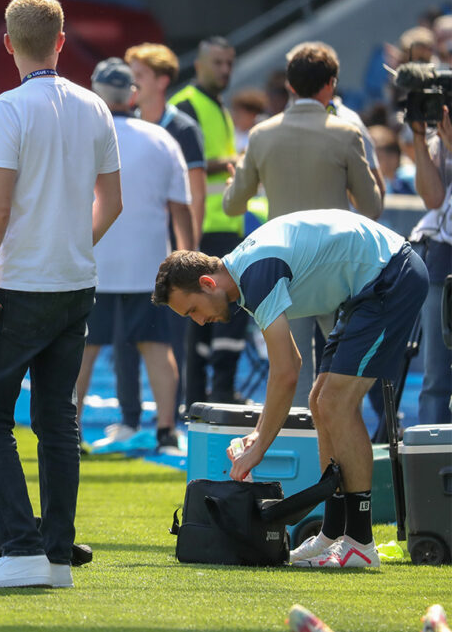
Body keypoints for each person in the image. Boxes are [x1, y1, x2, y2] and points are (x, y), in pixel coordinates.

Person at [153, 209, 428, 569]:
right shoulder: (243, 276)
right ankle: (333, 533)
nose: (200, 321)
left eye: (192, 310)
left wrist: (259, 448)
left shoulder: (254, 274)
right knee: (320, 401)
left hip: (392, 276)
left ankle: (360, 542)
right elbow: (291, 366)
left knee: (335, 403)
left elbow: (286, 370)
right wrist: (257, 435)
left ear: (207, 283)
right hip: (368, 286)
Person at [0, 0, 122, 589]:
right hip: (75, 283)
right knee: (58, 420)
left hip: (19, 283)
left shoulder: (5, 108)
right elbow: (115, 202)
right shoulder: (95, 106)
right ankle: (54, 557)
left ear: (7, 43)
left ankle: (22, 548)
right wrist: (74, 245)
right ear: (61, 39)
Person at [223, 42, 383, 407]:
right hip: (336, 269)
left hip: (283, 270)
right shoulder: (346, 133)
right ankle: (343, 455)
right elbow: (372, 207)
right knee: (344, 379)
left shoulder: (262, 134)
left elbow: (233, 205)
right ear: (330, 84)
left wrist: (236, 181)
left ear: (291, 86)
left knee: (292, 375)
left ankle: (301, 456)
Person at [78, 57, 192, 453]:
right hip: (149, 267)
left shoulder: (83, 136)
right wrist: (187, 262)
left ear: (95, 91)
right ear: (132, 95)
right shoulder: (161, 139)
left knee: (83, 351)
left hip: (91, 262)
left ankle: (68, 432)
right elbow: (181, 210)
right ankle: (166, 430)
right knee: (158, 350)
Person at [125, 42, 206, 418]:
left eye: (138, 75)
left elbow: (193, 195)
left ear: (162, 80)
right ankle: (129, 418)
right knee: (124, 339)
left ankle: (169, 420)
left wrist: (189, 257)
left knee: (168, 340)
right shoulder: (126, 122)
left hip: (168, 255)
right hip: (130, 254)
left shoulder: (183, 129)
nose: (132, 84)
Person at [169, 36, 248, 410]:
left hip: (226, 227)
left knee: (219, 315)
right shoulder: (185, 107)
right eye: (218, 62)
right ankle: (201, 395)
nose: (225, 70)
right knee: (205, 314)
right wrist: (234, 161)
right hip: (204, 229)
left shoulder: (218, 107)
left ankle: (210, 393)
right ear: (198, 64)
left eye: (229, 63)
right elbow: (183, 166)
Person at [407, 107, 452, 424]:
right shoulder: (442, 138)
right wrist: (421, 141)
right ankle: (431, 466)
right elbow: (433, 198)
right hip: (441, 259)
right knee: (435, 378)